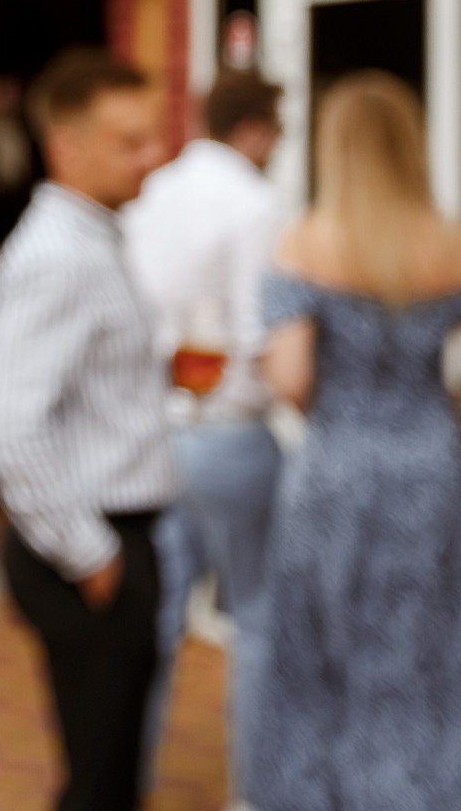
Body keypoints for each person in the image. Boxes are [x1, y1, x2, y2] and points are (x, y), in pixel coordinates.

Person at [244, 72, 461, 810]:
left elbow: (292, 379)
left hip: (336, 463)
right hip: (431, 466)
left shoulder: (305, 244)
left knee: (321, 651)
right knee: (438, 647)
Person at [0, 49, 177, 811]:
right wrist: (91, 555)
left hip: (111, 536)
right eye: (131, 142)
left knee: (110, 775)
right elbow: (5, 431)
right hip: (90, 545)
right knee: (100, 783)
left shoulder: (94, 238)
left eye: (153, 136)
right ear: (67, 147)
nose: (153, 157)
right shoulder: (56, 258)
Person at [124, 71, 288, 799]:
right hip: (229, 430)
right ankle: (254, 793)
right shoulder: (254, 204)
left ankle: (127, 780)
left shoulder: (155, 191)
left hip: (159, 427)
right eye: (277, 130)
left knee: (157, 619)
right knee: (258, 622)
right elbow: (259, 330)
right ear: (255, 129)